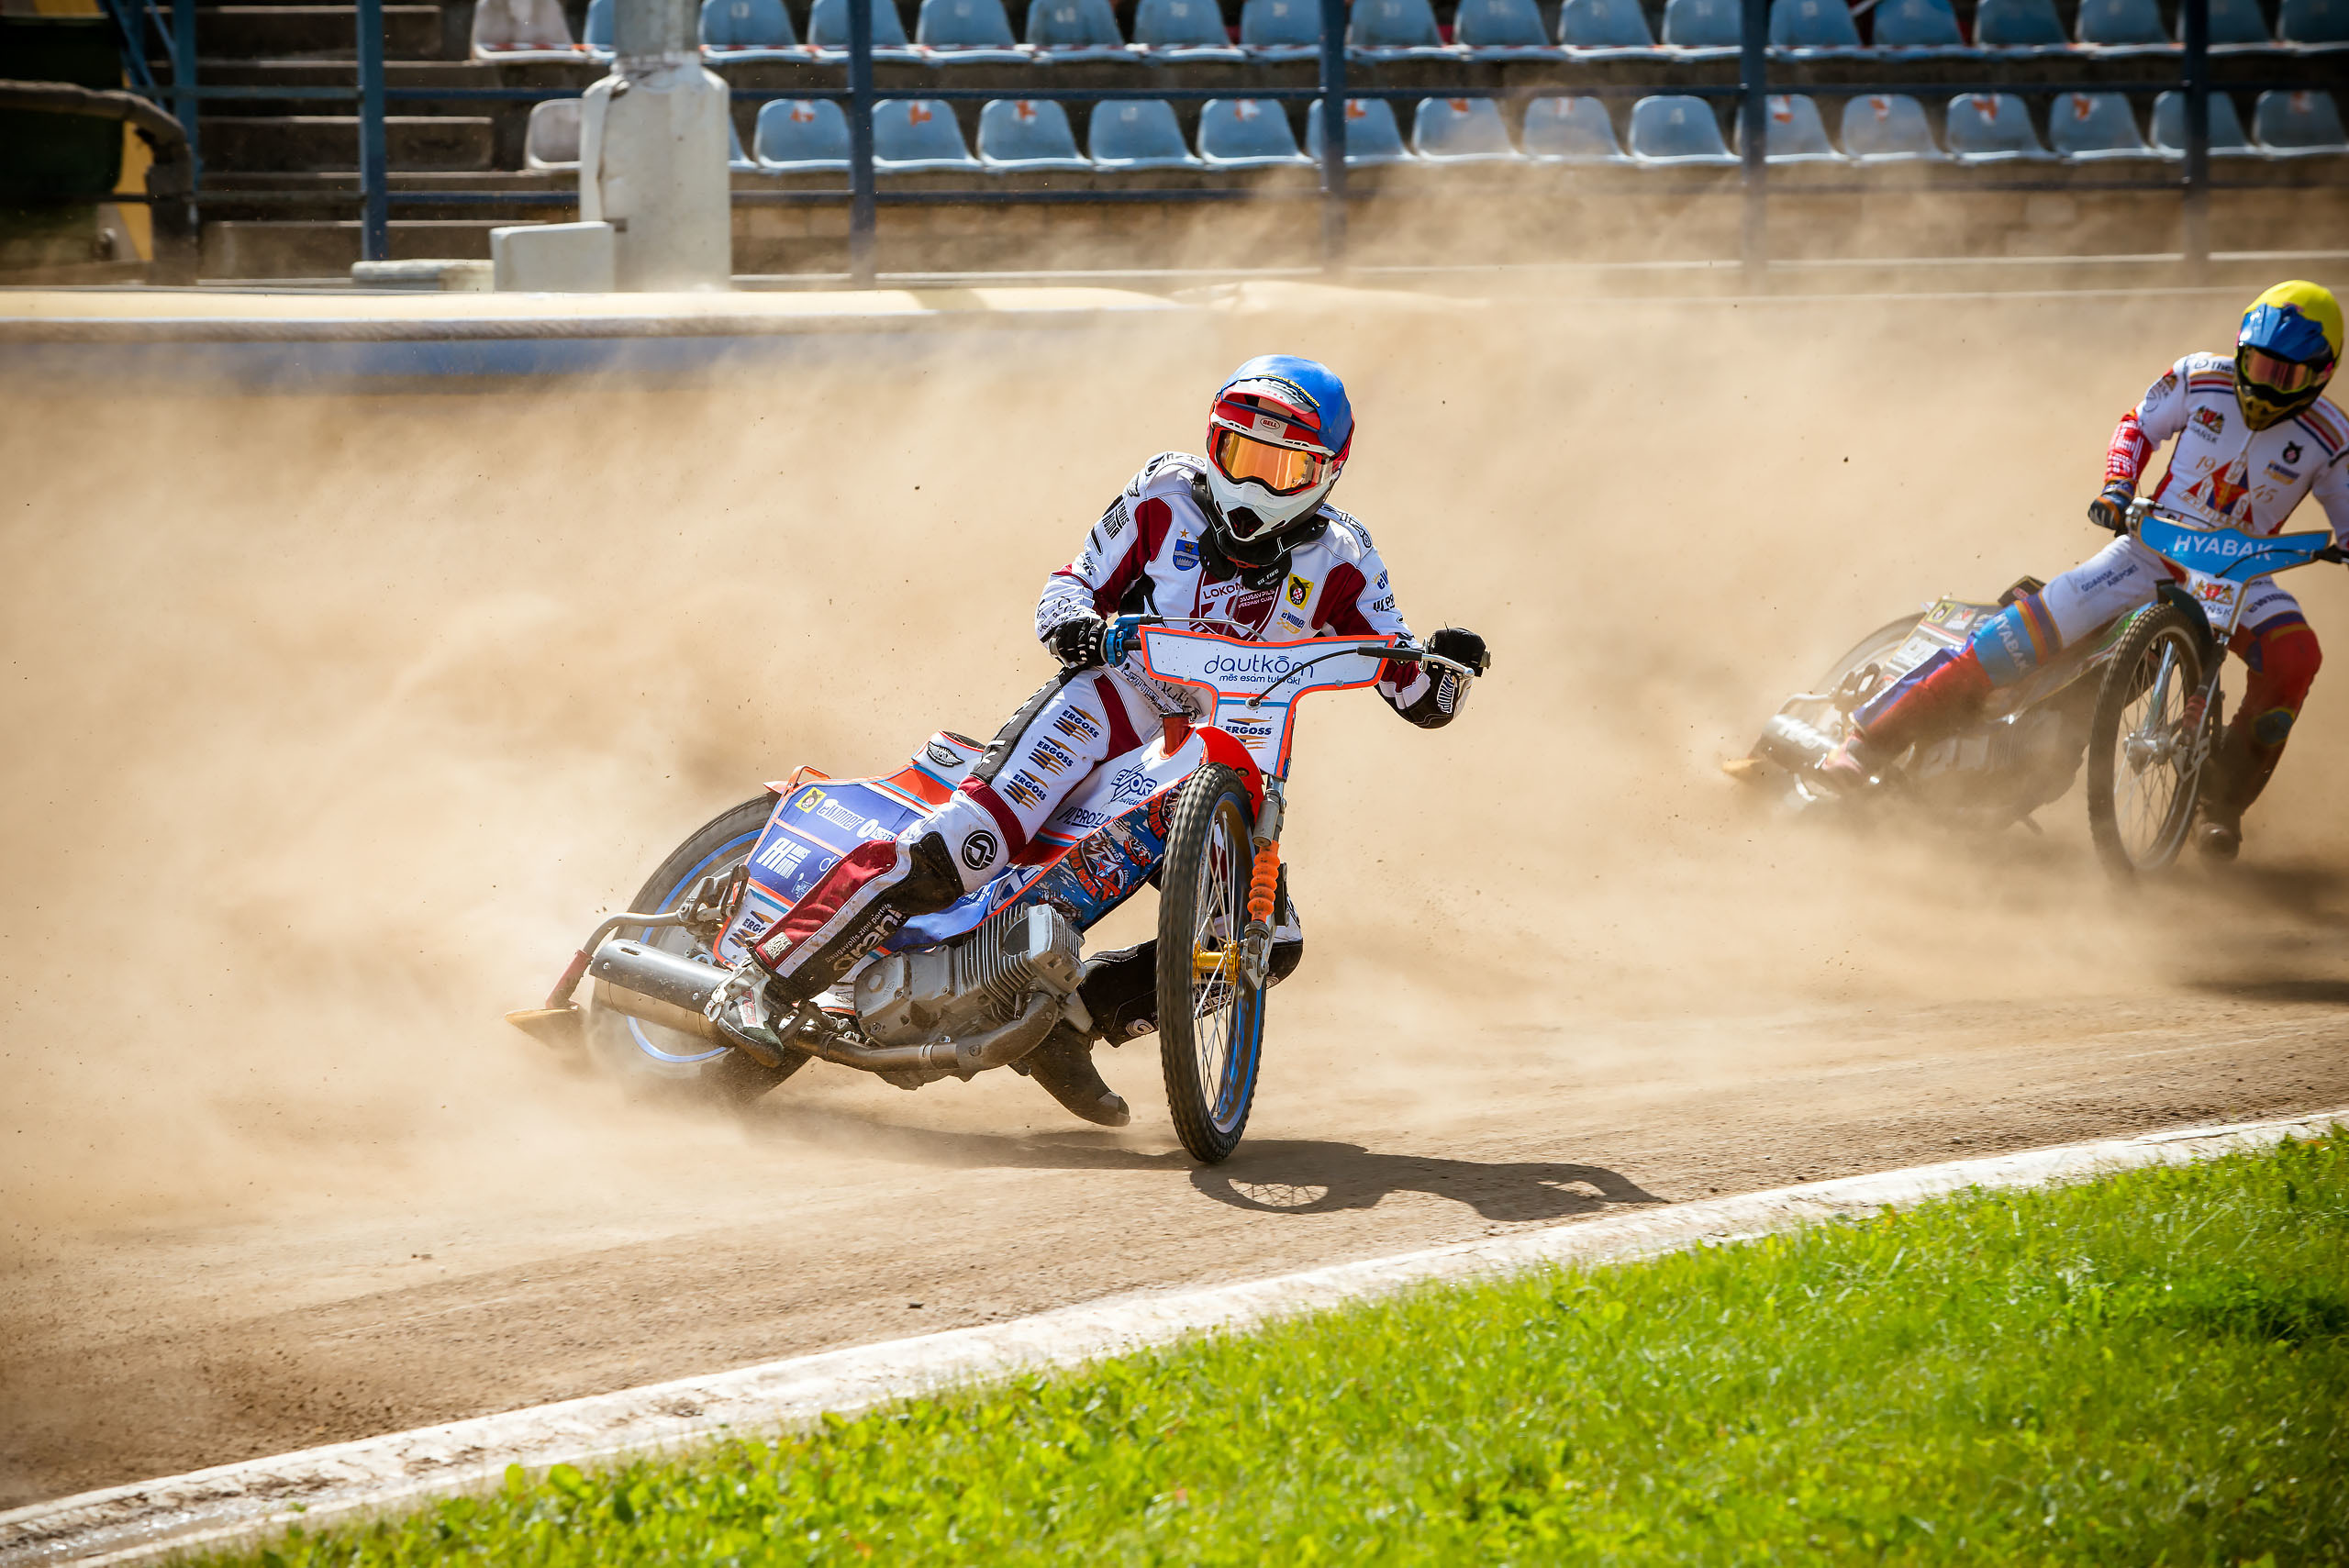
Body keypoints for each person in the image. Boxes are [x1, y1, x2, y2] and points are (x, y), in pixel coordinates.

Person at [724, 355, 1489, 1123]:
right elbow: (1068, 588)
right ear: (1211, 443)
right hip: (1110, 704)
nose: (1252, 485)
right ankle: (761, 978)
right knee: (969, 844)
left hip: (1228, 751)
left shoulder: (1346, 558)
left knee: (1269, 943)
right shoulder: (1164, 492)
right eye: (1239, 455)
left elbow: (1417, 692)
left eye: (1281, 466)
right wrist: (1078, 628)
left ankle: (1069, 1023)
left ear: (1326, 474)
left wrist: (1448, 666)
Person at [1820, 281, 2348, 859]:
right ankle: (1866, 744)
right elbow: (2137, 426)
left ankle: (2218, 805)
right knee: (2006, 645)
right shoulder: (2200, 375)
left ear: (2322, 373)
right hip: (2149, 550)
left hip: (2244, 573)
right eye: (2260, 364)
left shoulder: (2333, 437)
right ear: (2240, 349)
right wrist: (2119, 487)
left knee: (2296, 660)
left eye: (2288, 376)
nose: (2267, 384)